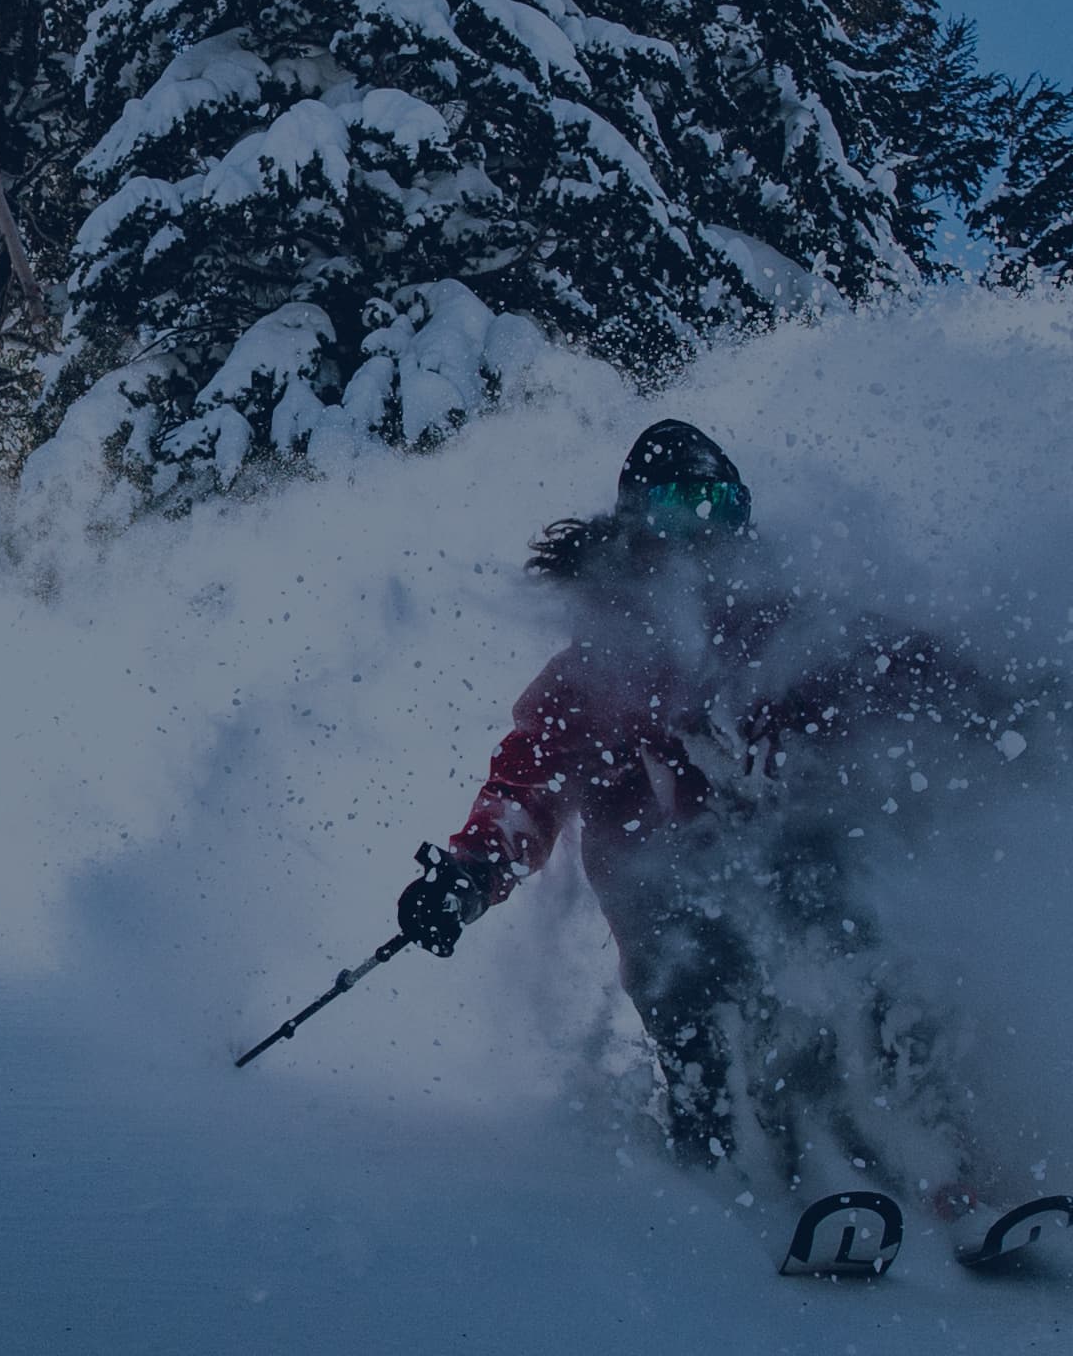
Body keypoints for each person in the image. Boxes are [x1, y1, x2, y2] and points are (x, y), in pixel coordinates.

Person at [391, 419, 1038, 1219]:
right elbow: (529, 779)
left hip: (789, 852)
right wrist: (470, 873)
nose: (699, 532)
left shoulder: (786, 627)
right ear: (635, 525)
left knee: (863, 941)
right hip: (660, 890)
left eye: (718, 507)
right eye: (673, 508)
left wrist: (1008, 708)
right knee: (697, 996)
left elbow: (899, 665)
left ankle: (947, 1165)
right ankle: (724, 1194)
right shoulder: (599, 662)